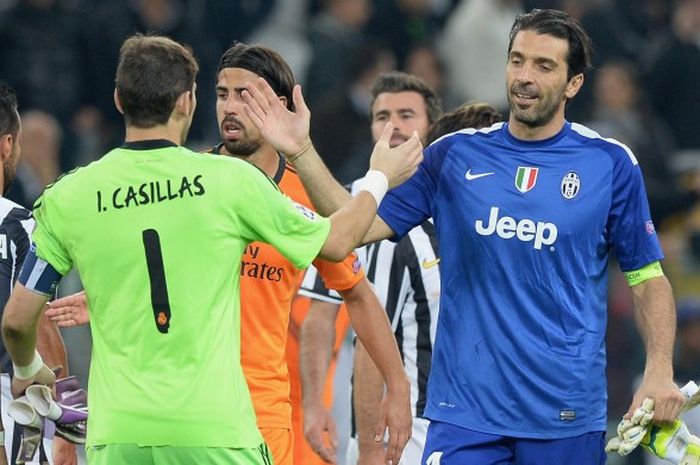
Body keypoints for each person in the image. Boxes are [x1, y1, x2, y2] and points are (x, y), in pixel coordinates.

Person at [239, 8, 685, 464]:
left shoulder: (608, 164)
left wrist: (658, 371)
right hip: (465, 418)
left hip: (565, 417)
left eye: (544, 65)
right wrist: (302, 149)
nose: (525, 77)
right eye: (517, 60)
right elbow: (353, 227)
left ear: (574, 83)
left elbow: (647, 278)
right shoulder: (454, 154)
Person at [0, 35, 421, 465]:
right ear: (191, 101)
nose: (232, 107)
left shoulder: (85, 192)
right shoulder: (214, 183)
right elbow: (345, 233)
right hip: (220, 428)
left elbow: (356, 290)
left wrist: (397, 385)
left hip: (242, 419)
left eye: (246, 95)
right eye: (222, 94)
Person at [300, 95, 502, 465]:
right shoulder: (400, 236)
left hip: (478, 426)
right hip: (409, 433)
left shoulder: (497, 238)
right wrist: (370, 447)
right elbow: (369, 343)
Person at [0, 83, 74, 465]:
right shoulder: (20, 227)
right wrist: (65, 430)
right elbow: (39, 328)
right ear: (7, 144)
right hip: (13, 413)